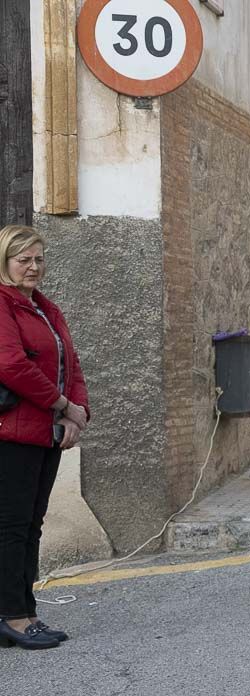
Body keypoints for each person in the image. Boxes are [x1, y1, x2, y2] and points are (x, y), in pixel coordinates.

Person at [0, 226, 89, 650]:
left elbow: (72, 364)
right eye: (23, 259)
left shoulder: (46, 309)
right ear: (5, 261)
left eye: (38, 259)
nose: (33, 267)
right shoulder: (2, 304)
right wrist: (61, 405)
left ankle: (26, 611)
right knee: (12, 527)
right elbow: (12, 366)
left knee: (31, 526)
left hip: (46, 434)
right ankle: (12, 617)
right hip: (13, 435)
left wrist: (78, 413)